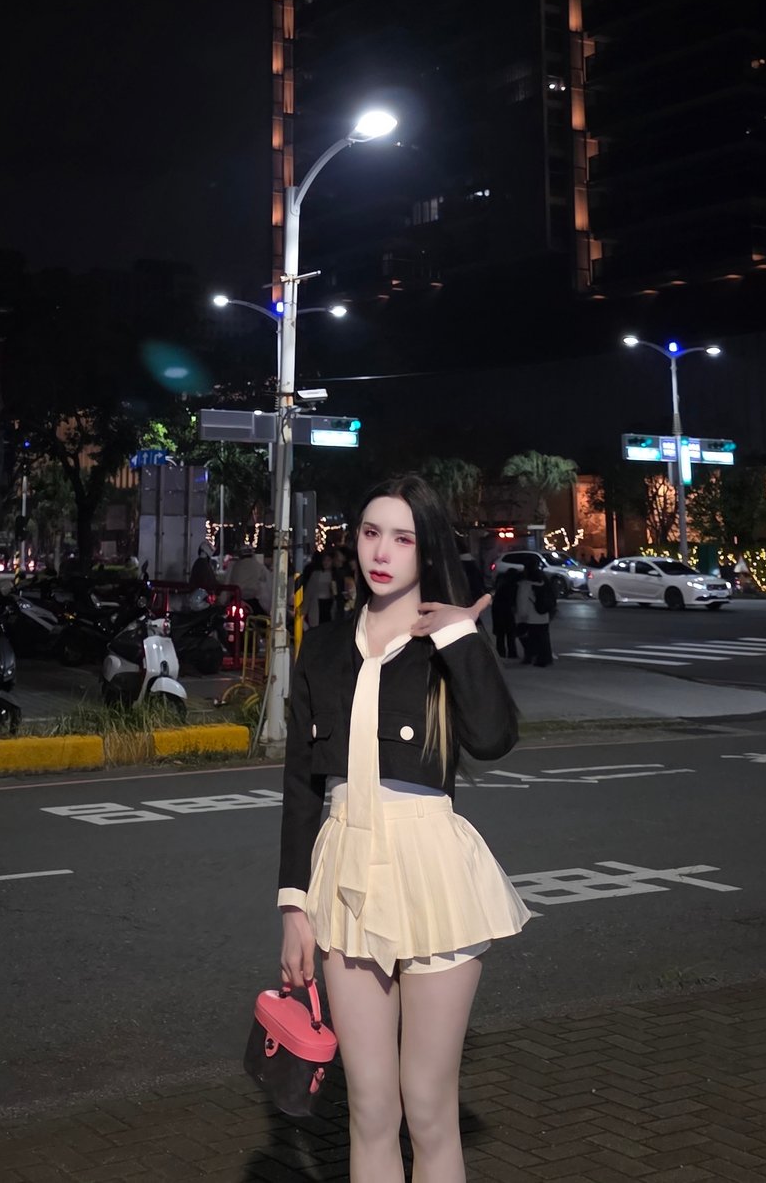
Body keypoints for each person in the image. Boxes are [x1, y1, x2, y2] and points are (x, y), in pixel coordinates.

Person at [278, 473, 531, 1181]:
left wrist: (458, 634)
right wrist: (294, 906)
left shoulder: (444, 637)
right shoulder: (323, 647)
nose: (381, 552)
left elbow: (493, 738)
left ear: (428, 549)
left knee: (427, 1105)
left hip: (431, 869)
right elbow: (300, 787)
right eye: (370, 533)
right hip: (345, 869)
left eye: (402, 538)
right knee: (369, 1107)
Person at [514, 559, 556, 666]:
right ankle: (545, 658)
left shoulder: (525, 584)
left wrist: (521, 616)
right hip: (543, 615)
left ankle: (532, 656)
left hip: (531, 617)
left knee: (529, 637)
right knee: (544, 638)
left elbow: (522, 601)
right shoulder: (544, 581)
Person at [226, 542, 271, 614]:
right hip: (251, 601)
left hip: (235, 600)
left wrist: (223, 601)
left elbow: (227, 583)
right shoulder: (259, 566)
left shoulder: (234, 566)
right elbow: (268, 583)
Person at [490, 566, 522, 660]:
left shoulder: (502, 584)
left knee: (500, 634)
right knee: (510, 633)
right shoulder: (513, 586)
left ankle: (501, 652)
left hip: (498, 611)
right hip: (508, 611)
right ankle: (512, 653)